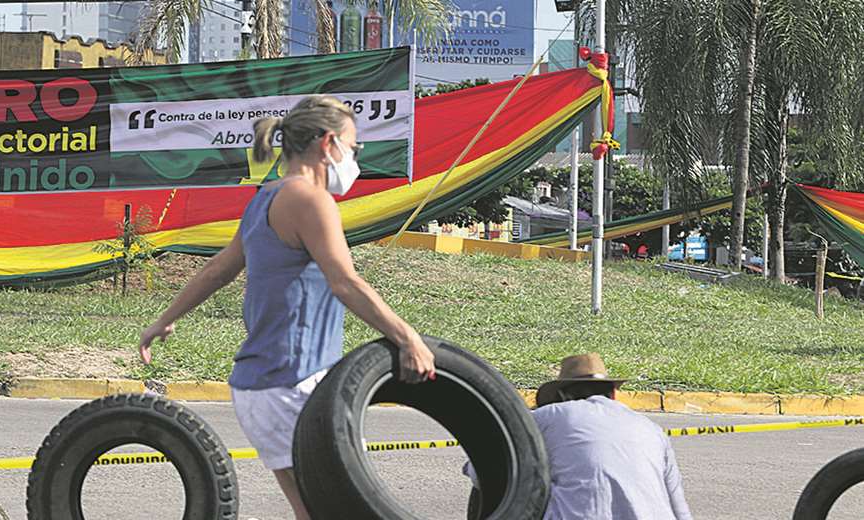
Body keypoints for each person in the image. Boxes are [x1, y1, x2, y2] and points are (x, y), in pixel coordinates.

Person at [137, 95, 436, 520]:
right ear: (328, 143)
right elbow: (345, 282)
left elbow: (220, 267)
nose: (355, 159)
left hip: (263, 386)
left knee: (316, 512)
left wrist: (165, 319)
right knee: (342, 510)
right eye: (355, 149)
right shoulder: (310, 200)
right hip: (293, 383)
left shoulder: (267, 195)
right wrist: (408, 337)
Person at [464, 353, 692, 520]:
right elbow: (680, 509)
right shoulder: (651, 429)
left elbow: (480, 472)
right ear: (613, 394)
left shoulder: (549, 416)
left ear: (562, 394)